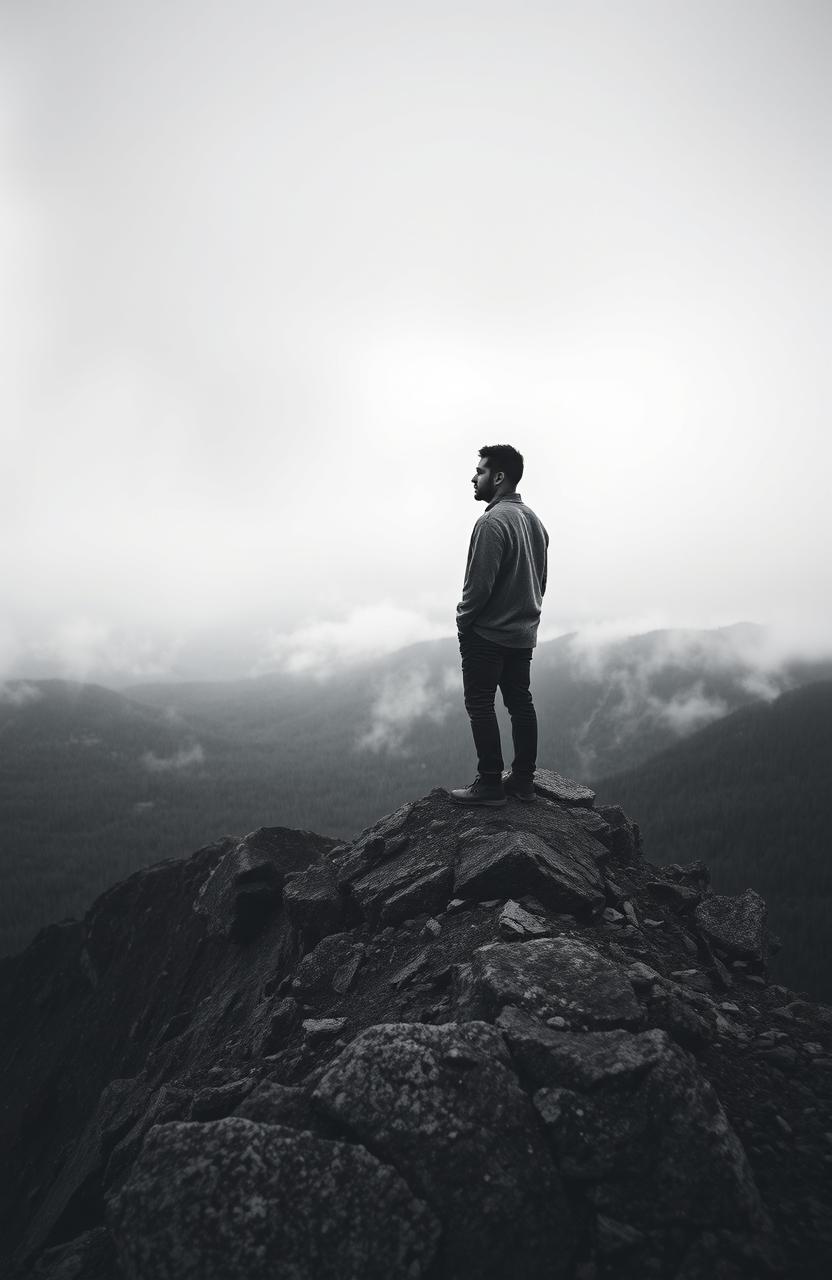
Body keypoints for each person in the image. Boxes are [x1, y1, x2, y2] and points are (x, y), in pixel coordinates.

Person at [451, 444, 549, 807]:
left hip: (488, 634)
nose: (473, 478)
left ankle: (490, 783)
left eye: (479, 472)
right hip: (522, 634)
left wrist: (464, 622)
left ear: (499, 477)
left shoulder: (492, 522)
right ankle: (523, 781)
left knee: (480, 705)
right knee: (520, 703)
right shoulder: (535, 522)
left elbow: (478, 586)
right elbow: (540, 580)